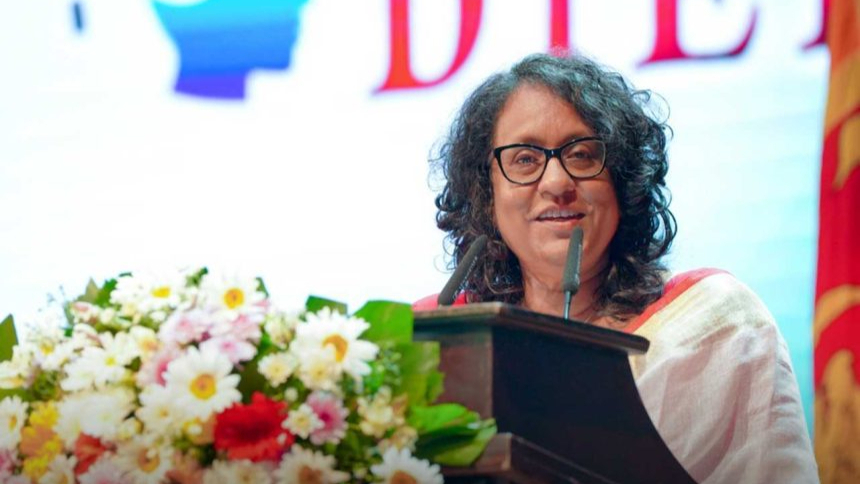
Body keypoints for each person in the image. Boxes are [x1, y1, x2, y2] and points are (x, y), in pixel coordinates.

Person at [414, 53, 819, 483]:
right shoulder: (430, 339)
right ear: (486, 191)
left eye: (582, 154)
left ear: (623, 182)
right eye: (525, 159)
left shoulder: (715, 326)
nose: (557, 183)